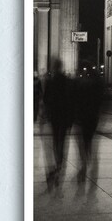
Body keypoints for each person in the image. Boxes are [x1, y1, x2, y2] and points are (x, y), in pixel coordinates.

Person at [42, 58, 72, 189]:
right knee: (63, 141)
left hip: (55, 116)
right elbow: (72, 99)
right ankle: (60, 165)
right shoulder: (68, 81)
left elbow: (46, 99)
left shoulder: (50, 82)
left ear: (54, 67)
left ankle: (56, 164)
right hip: (65, 116)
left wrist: (45, 115)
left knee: (56, 141)